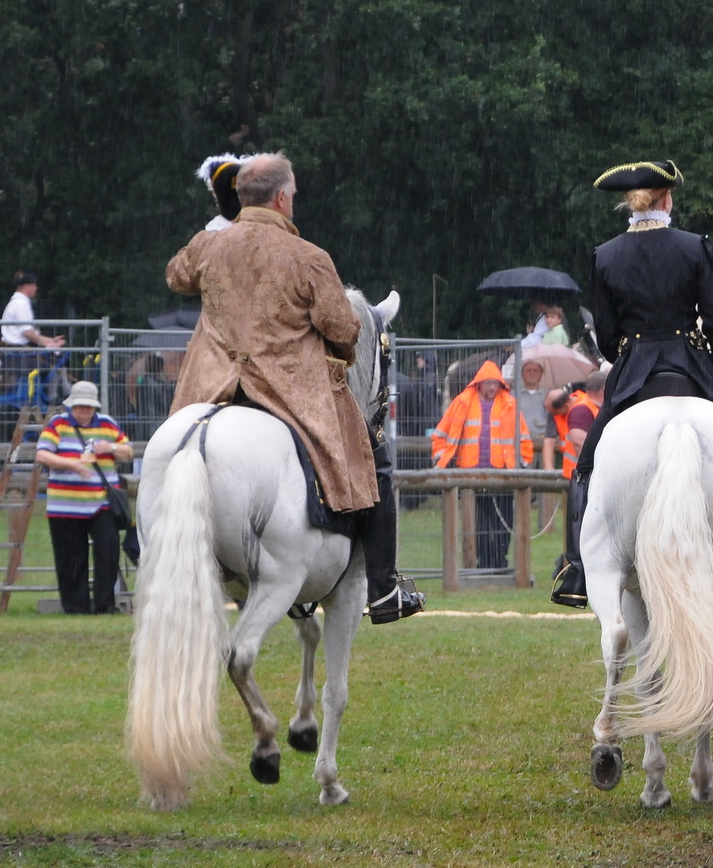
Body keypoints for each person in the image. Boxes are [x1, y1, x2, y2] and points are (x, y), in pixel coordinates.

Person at [167, 151, 423, 624]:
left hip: (211, 388)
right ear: (283, 198)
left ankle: (152, 542)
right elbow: (343, 330)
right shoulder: (308, 257)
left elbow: (176, 274)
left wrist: (222, 234)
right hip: (286, 390)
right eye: (295, 196)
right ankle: (384, 589)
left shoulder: (209, 246)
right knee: (375, 460)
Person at [550, 159, 713, 607]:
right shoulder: (694, 246)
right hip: (693, 367)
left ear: (632, 203)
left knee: (586, 467)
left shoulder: (605, 255)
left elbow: (607, 338)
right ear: (667, 198)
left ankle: (575, 569)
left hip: (632, 375)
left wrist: (628, 354)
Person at [35, 381, 131, 613]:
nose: (84, 412)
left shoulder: (108, 424)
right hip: (64, 505)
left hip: (102, 503)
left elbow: (128, 452)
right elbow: (42, 455)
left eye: (88, 407)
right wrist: (73, 465)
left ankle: (104, 604)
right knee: (70, 558)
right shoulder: (57, 424)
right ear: (71, 406)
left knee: (107, 555)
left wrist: (111, 448)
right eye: (79, 407)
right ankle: (75, 606)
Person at [431, 360, 535, 570]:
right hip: (470, 477)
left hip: (504, 475)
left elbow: (524, 438)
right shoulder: (462, 403)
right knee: (478, 525)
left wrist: (522, 465)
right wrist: (442, 459)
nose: (491, 388)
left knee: (504, 523)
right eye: (487, 383)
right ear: (478, 384)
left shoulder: (510, 404)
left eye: (494, 383)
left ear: (499, 384)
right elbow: (440, 434)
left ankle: (500, 562)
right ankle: (483, 563)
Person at [560, 370, 607, 482]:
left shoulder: (591, 407)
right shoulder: (581, 410)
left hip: (583, 474)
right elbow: (579, 441)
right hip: (581, 476)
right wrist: (593, 468)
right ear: (604, 390)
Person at [1, 271, 65, 351]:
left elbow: (28, 333)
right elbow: (28, 333)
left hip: (16, 349)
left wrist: (50, 340)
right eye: (33, 285)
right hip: (18, 352)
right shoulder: (21, 304)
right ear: (26, 286)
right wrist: (49, 344)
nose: (36, 288)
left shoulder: (18, 302)